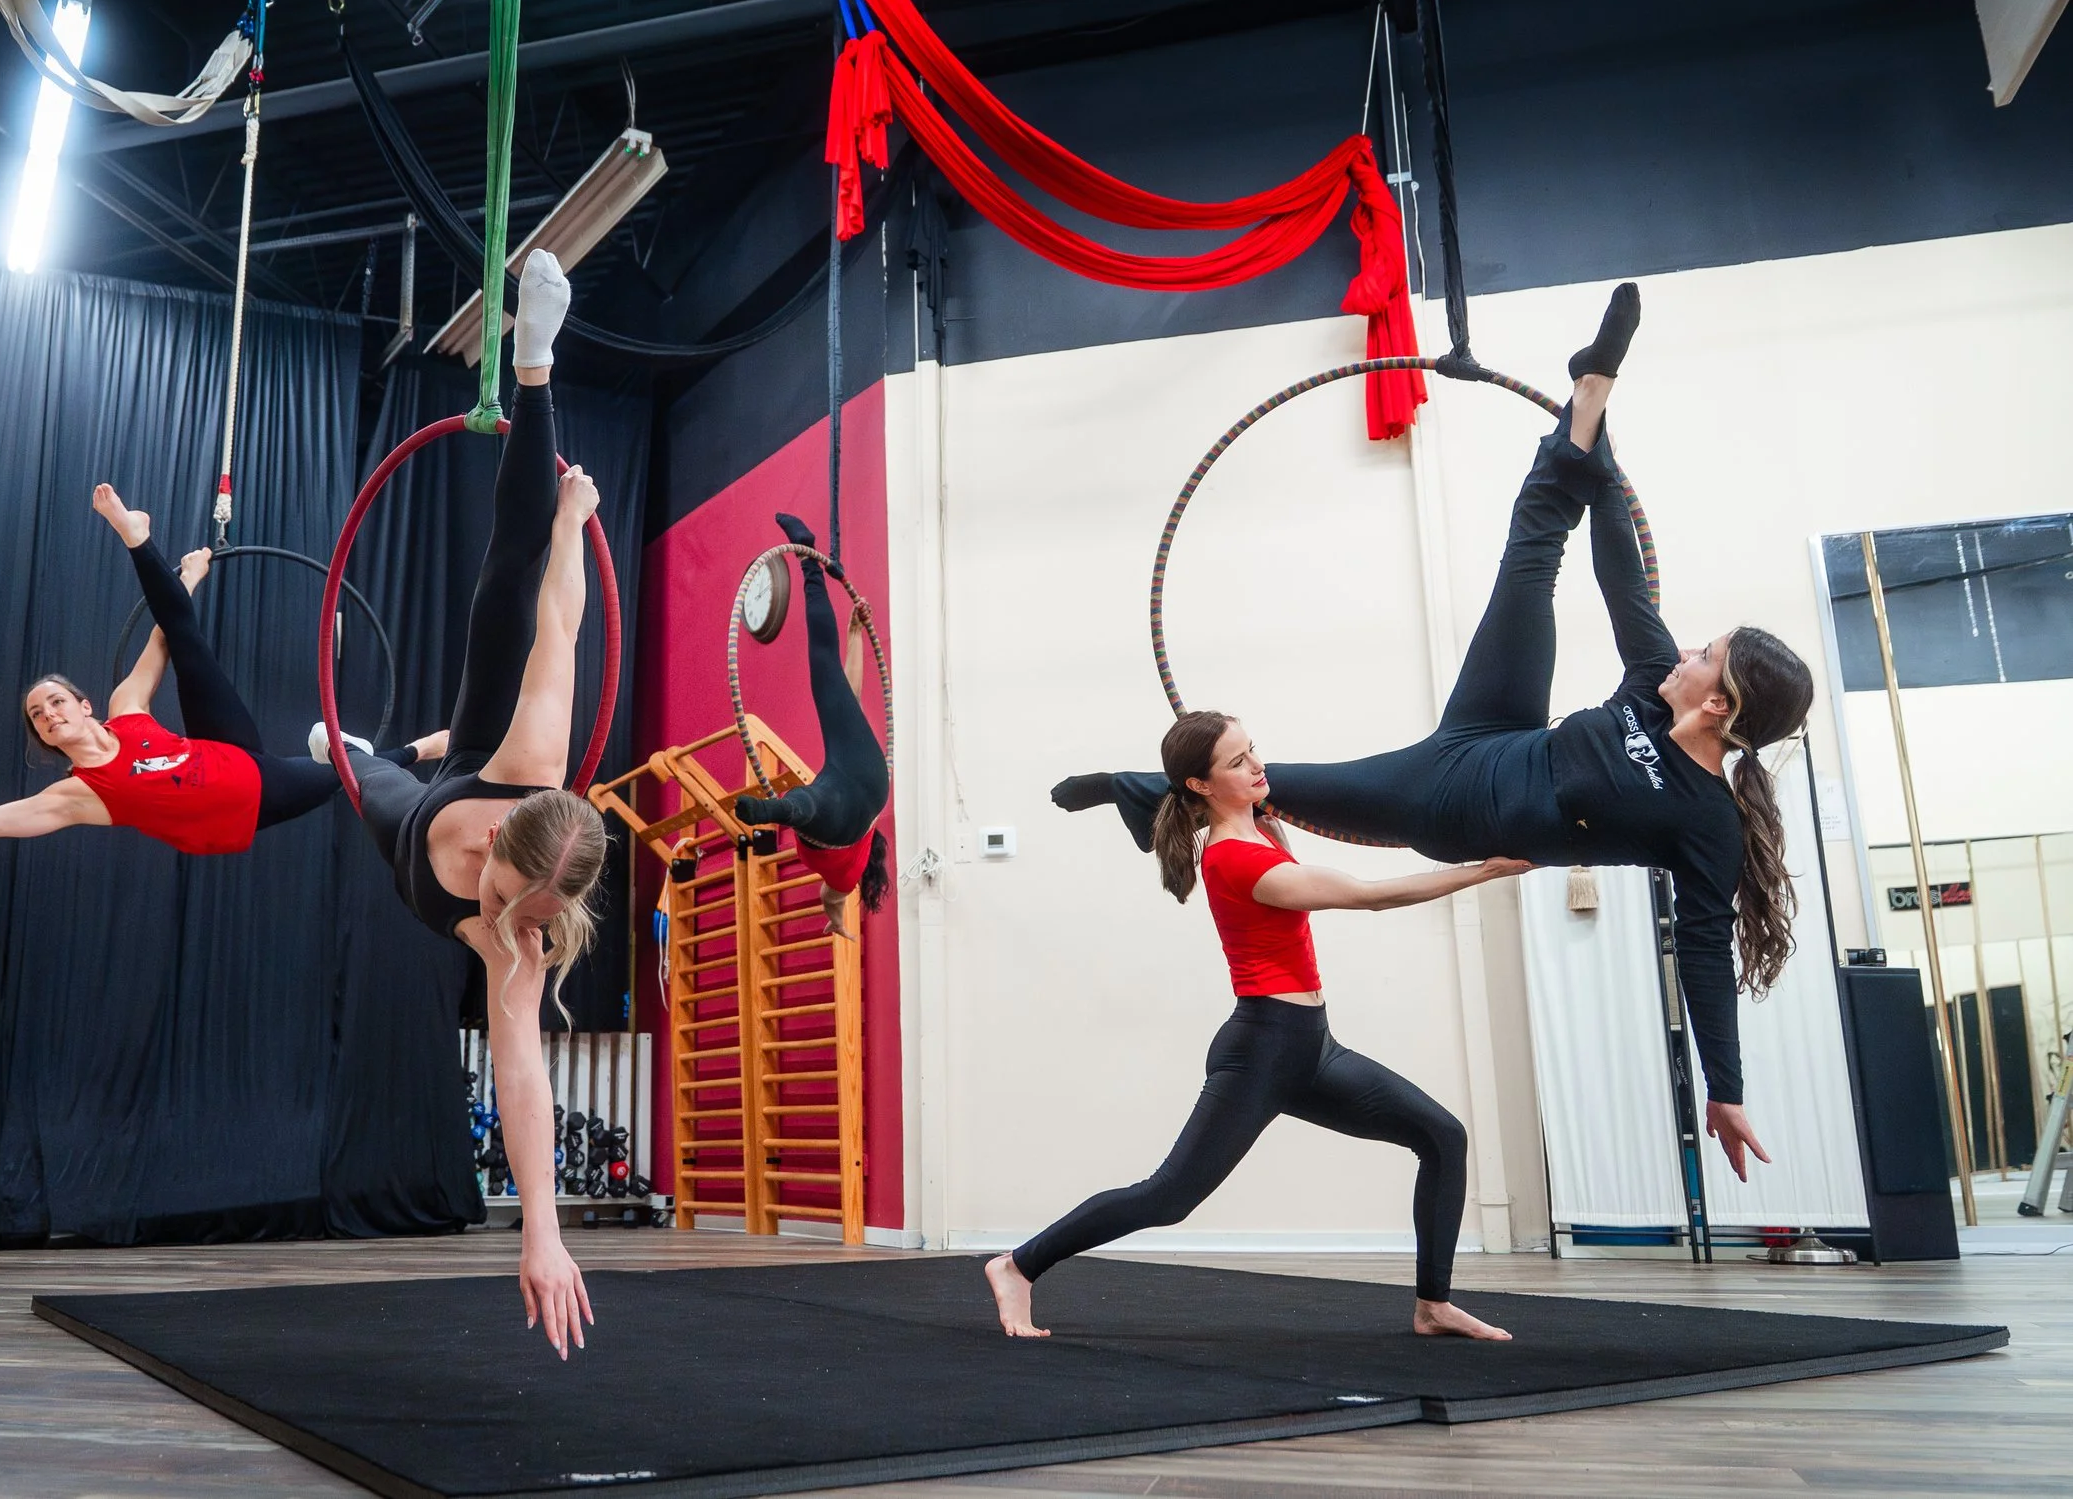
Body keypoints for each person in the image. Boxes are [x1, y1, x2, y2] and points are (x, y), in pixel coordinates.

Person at [1051, 285, 1813, 1180]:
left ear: (1718, 706)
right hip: (1492, 731)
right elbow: (1622, 572)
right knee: (1532, 552)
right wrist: (1595, 423)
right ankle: (1593, 383)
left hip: (1446, 803)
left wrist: (1723, 1086)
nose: (1685, 647)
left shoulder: (1704, 821)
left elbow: (1704, 951)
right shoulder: (1654, 686)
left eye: (1706, 652)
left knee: (1264, 782)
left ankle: (1140, 793)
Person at [989, 709, 1525, 1342]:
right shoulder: (1236, 860)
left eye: (1254, 752)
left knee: (1442, 1137)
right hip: (1263, 1051)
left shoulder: (1259, 822)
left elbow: (1255, 791)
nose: (1257, 766)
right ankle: (1018, 1265)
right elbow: (1369, 895)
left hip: (1313, 1048)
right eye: (1237, 763)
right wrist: (1483, 871)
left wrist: (1126, 784)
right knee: (1167, 1198)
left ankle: (1432, 1306)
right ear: (1200, 786)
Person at [346, 251, 611, 1360]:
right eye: (517, 893)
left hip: (410, 867)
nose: (516, 919)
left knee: (357, 778)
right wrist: (567, 522)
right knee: (507, 588)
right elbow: (564, 618)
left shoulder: (524, 938)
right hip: (456, 785)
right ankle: (537, 357)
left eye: (536, 916)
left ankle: (364, 748)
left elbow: (521, 1071)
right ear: (512, 838)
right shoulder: (533, 765)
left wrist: (540, 1232)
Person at [0, 486, 429, 876]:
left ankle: (136, 535)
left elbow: (165, 638)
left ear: (83, 704)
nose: (49, 715)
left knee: (187, 643)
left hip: (230, 752)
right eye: (39, 716)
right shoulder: (76, 796)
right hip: (248, 805)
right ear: (43, 738)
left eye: (55, 701)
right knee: (347, 780)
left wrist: (191, 575)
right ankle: (407, 749)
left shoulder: (125, 707)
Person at [734, 512, 889, 930]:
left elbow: (850, 702)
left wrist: (856, 636)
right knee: (809, 806)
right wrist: (835, 922)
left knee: (828, 673)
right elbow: (831, 902)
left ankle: (806, 549)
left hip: (872, 781)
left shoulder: (854, 867)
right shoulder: (842, 879)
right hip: (839, 805)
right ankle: (771, 809)